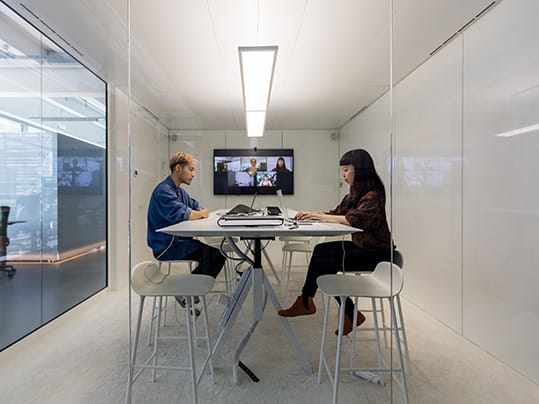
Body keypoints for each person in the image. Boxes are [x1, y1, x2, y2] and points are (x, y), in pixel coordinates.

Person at [278, 149, 395, 335]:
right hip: (363, 248)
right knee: (321, 251)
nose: (343, 175)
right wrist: (310, 216)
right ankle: (329, 307)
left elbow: (352, 219)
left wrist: (316, 215)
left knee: (324, 260)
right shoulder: (354, 194)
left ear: (360, 170)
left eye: (346, 170)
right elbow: (338, 213)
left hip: (377, 256)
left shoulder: (373, 195)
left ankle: (310, 302)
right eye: (342, 170)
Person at [147, 152, 225, 287]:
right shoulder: (164, 191)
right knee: (215, 256)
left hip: (180, 242)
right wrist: (196, 214)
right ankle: (187, 291)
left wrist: (197, 213)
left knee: (215, 255)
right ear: (178, 168)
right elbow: (187, 214)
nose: (193, 174)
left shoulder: (179, 191)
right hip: (167, 247)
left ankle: (190, 290)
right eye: (191, 169)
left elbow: (199, 209)